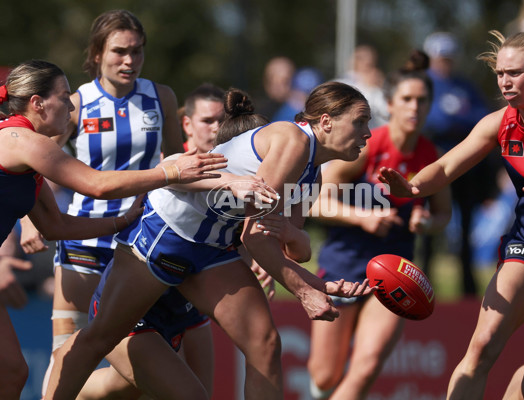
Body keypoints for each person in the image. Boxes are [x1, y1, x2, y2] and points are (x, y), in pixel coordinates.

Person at [45, 82, 375, 400]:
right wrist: (306, 290)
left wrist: (316, 281)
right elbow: (256, 236)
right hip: (166, 236)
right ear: (327, 122)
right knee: (101, 342)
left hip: (210, 251)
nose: (368, 133)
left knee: (265, 343)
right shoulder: (294, 142)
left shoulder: (312, 174)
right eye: (360, 121)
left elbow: (294, 248)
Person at [378, 30, 524, 399]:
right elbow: (448, 166)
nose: (504, 81)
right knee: (481, 345)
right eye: (500, 74)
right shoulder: (500, 121)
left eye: (514, 72)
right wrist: (414, 187)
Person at [11, 10, 219, 397]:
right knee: (66, 357)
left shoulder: (161, 97)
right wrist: (29, 221)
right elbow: (36, 165)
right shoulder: (75, 102)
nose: (129, 60)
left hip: (141, 242)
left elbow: (180, 164)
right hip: (83, 242)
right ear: (97, 53)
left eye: (137, 51)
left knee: (132, 375)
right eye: (120, 51)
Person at [306, 50, 452, 400]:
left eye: (422, 100)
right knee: (324, 376)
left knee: (368, 364)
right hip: (344, 261)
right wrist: (363, 216)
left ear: (431, 104)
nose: (414, 107)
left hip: (394, 267)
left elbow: (443, 214)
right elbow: (315, 201)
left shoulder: (432, 156)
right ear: (390, 103)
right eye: (406, 99)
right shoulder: (367, 146)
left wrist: (427, 221)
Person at [420, 31, 494, 296]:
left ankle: (468, 287)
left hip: (464, 167)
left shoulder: (465, 86)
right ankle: (423, 282)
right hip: (431, 164)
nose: (444, 63)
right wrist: (454, 121)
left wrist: (452, 122)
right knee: (428, 226)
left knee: (465, 228)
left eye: (448, 58)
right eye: (440, 58)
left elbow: (483, 118)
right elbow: (430, 121)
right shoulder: (423, 84)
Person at [337, 45, 389, 129]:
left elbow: (386, 111)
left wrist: (380, 86)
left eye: (373, 64)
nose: (372, 69)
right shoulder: (343, 83)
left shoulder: (377, 86)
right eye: (368, 65)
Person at [182, 83, 225, 152]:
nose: (217, 128)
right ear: (187, 125)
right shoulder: (166, 161)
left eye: (222, 121)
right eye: (207, 121)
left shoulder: (238, 159)